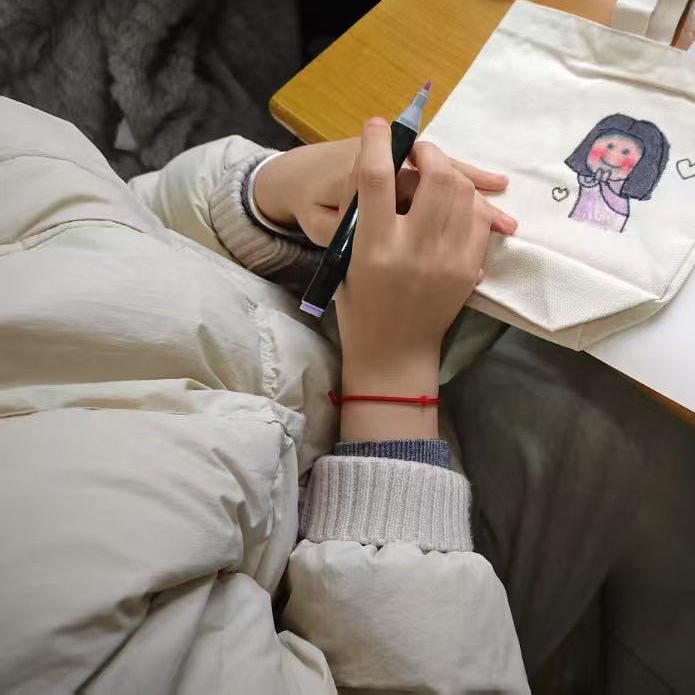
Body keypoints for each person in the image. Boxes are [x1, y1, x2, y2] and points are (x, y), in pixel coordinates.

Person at [0, 96, 531, 693]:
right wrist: (391, 375)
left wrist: (259, 202)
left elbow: (124, 220)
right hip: (414, 547)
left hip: (368, 346)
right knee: (593, 419)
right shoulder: (42, 627)